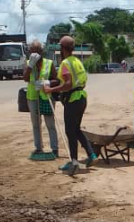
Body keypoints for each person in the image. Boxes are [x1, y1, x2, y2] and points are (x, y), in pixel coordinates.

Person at [43, 36, 97, 176]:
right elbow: (83, 82)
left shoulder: (66, 63)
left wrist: (51, 90)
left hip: (73, 100)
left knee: (70, 132)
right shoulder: (77, 61)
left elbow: (67, 84)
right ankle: (91, 154)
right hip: (81, 98)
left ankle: (73, 161)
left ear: (62, 48)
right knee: (76, 129)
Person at [23, 40, 59, 161]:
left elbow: (56, 79)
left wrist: (46, 82)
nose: (35, 54)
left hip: (46, 97)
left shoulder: (49, 63)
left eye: (37, 51)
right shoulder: (28, 63)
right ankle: (38, 147)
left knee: (50, 124)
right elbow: (25, 78)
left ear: (42, 52)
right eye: (33, 51)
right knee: (36, 124)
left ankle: (54, 149)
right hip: (33, 97)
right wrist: (30, 65)